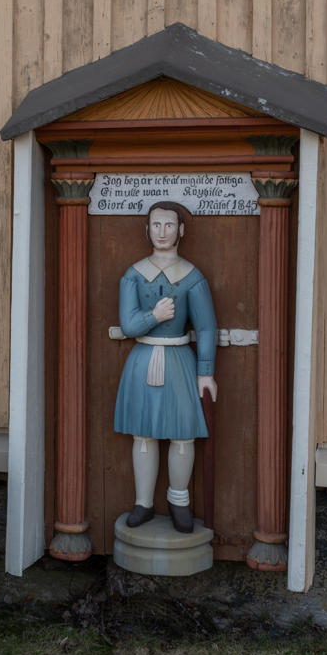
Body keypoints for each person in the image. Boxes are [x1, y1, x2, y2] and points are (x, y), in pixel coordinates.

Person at [114, 201, 218, 533]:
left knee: (183, 434)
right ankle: (143, 502)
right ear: (147, 230)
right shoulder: (133, 275)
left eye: (169, 225)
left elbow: (206, 327)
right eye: (156, 225)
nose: (162, 232)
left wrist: (206, 372)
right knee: (143, 434)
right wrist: (154, 316)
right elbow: (129, 325)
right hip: (143, 361)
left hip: (178, 362)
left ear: (180, 230)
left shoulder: (192, 277)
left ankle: (179, 500)